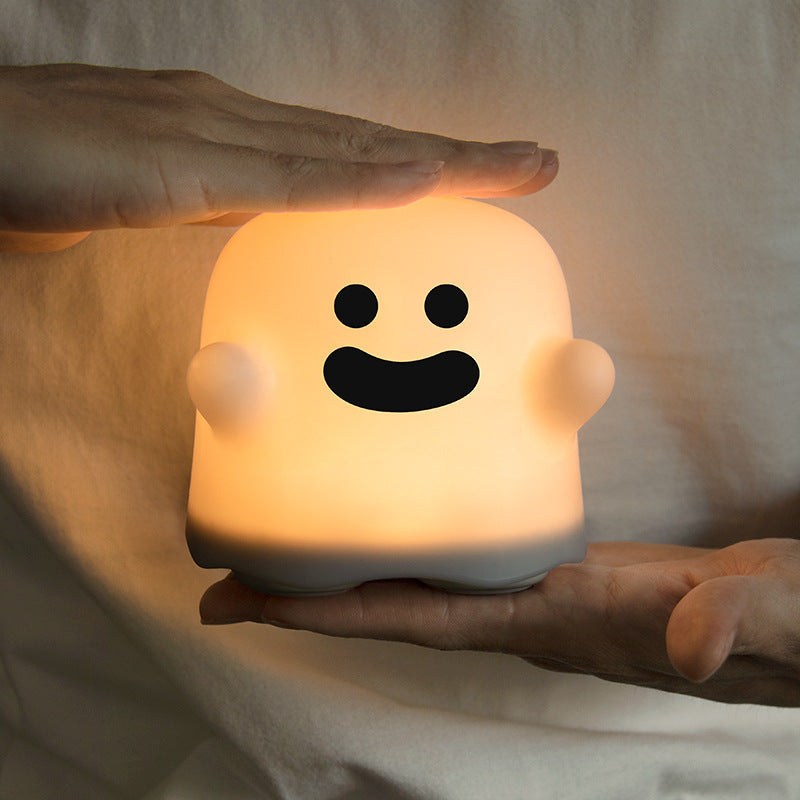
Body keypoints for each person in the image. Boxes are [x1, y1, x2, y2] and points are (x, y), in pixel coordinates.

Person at [3, 63, 798, 711]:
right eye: (359, 312)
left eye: (445, 312)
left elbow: (557, 383)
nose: (401, 339)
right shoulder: (273, 246)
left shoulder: (501, 248)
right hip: (125, 690)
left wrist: (570, 385)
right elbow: (229, 382)